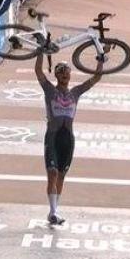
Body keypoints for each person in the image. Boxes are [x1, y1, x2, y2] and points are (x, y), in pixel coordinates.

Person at [35, 54, 103, 225]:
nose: (65, 74)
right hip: (53, 137)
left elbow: (96, 78)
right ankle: (53, 212)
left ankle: (54, 211)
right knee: (52, 173)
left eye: (67, 71)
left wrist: (101, 59)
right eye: (61, 71)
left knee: (61, 176)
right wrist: (40, 53)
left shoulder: (76, 92)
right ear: (56, 75)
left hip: (68, 139)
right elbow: (38, 71)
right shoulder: (50, 90)